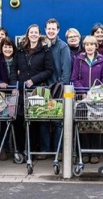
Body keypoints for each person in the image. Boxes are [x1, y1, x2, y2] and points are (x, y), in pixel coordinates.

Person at [9, 24, 54, 160]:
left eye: (36, 32)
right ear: (27, 34)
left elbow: (49, 70)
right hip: (21, 91)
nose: (33, 34)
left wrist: (33, 80)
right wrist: (14, 86)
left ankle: (31, 150)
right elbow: (13, 69)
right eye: (31, 32)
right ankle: (20, 149)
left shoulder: (45, 51)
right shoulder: (20, 51)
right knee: (19, 120)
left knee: (34, 121)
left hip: (37, 91)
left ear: (39, 34)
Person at [71, 35, 103, 164]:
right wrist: (83, 92)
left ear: (95, 46)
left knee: (96, 124)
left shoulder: (102, 59)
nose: (89, 47)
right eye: (87, 45)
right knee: (83, 124)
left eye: (92, 44)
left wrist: (95, 93)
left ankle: (95, 153)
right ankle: (85, 152)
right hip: (82, 98)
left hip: (97, 98)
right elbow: (74, 78)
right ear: (84, 46)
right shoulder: (79, 59)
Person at [43, 18, 71, 160]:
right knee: (43, 119)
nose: (51, 31)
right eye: (49, 29)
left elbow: (66, 70)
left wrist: (62, 88)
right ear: (45, 30)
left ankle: (59, 151)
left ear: (58, 30)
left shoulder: (63, 47)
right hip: (43, 89)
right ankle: (46, 150)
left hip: (57, 90)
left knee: (57, 122)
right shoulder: (43, 45)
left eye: (53, 29)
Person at [0, 36, 17, 158]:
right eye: (5, 47)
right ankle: (3, 147)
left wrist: (15, 86)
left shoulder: (18, 59)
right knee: (5, 120)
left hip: (15, 93)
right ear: (1, 48)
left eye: (10, 46)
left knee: (17, 121)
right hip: (2, 94)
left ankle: (18, 148)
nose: (7, 49)